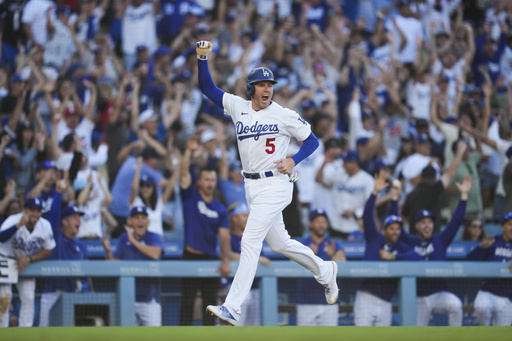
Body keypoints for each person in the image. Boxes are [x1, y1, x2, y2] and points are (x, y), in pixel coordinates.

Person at [195, 40, 339, 326]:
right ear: (251, 89)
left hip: (276, 184)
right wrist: (202, 58)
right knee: (281, 243)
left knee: (250, 240)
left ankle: (232, 307)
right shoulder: (238, 107)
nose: (266, 89)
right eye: (261, 85)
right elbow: (208, 89)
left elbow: (311, 140)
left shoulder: (283, 114)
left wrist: (294, 160)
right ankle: (325, 270)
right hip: (252, 186)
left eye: (269, 84)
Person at [399, 175, 473, 326]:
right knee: (417, 335)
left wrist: (464, 196)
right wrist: (394, 200)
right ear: (417, 226)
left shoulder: (440, 239)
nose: (427, 225)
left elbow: (456, 222)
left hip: (439, 293)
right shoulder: (410, 241)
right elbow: (397, 227)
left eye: (430, 222)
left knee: (456, 305)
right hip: (418, 297)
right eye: (423, 223)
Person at [356, 171, 421, 326]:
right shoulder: (374, 238)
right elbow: (367, 216)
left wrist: (393, 257)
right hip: (366, 297)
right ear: (384, 230)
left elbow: (417, 258)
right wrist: (374, 193)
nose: (395, 231)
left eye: (398, 229)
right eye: (391, 228)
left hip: (386, 301)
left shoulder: (401, 246)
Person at [178, 136, 231, 326]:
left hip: (210, 258)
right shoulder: (190, 197)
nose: (210, 183)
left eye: (212, 180)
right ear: (199, 182)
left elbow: (224, 237)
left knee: (210, 307)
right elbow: (183, 174)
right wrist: (188, 152)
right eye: (206, 179)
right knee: (187, 303)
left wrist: (225, 260)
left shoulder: (220, 208)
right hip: (190, 255)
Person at [101, 206, 164, 326]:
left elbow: (156, 254)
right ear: (130, 221)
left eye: (143, 218)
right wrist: (108, 251)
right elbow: (113, 263)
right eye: (136, 218)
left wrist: (134, 241)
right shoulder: (123, 239)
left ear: (148, 221)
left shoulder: (154, 237)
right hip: (128, 298)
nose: (140, 221)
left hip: (149, 300)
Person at [0, 197, 55, 327]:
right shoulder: (13, 220)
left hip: (25, 262)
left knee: (29, 298)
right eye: (32, 210)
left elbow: (49, 249)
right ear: (24, 210)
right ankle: (2, 333)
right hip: (5, 259)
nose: (35, 214)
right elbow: (1, 238)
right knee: (4, 300)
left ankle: (25, 334)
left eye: (38, 211)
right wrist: (18, 225)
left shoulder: (45, 225)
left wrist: (29, 259)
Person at [39, 205, 87, 327]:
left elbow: (87, 274)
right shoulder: (56, 237)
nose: (78, 221)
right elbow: (54, 217)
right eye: (74, 217)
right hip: (52, 293)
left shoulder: (81, 246)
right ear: (64, 221)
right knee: (44, 334)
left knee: (71, 335)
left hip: (72, 295)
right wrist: (59, 193)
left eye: (79, 218)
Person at [296, 208, 346, 326]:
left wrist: (332, 255)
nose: (321, 225)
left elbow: (344, 267)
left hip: (329, 302)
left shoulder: (334, 244)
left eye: (324, 222)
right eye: (318, 221)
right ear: (311, 224)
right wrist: (309, 255)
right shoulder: (301, 244)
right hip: (305, 301)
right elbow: (291, 267)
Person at [228, 203, 271, 326]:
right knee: (235, 328)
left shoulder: (255, 238)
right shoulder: (229, 238)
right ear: (234, 218)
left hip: (256, 288)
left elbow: (263, 260)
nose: (248, 219)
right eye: (244, 216)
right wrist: (257, 259)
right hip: (234, 289)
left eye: (248, 216)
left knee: (254, 330)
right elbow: (226, 255)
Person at [466, 212, 512, 326]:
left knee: (502, 336)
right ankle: (484, 332)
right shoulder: (493, 241)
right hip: (488, 292)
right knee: (482, 307)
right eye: (510, 224)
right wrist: (480, 248)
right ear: (502, 227)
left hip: (507, 297)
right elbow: (469, 261)